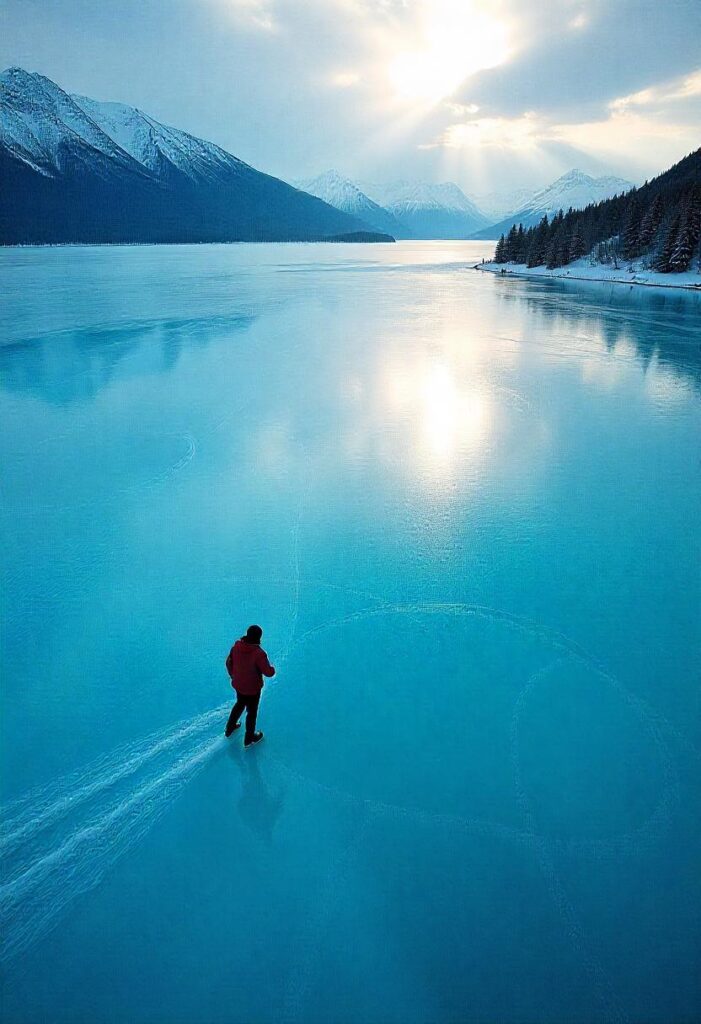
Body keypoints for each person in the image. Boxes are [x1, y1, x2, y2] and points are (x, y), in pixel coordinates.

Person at [225, 625, 275, 746]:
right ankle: (249, 738)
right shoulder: (259, 654)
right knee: (252, 712)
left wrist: (233, 675)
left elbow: (229, 662)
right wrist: (272, 669)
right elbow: (268, 672)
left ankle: (230, 728)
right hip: (253, 689)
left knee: (239, 704)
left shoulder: (236, 647)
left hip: (239, 685)